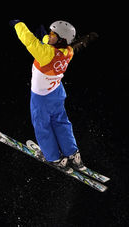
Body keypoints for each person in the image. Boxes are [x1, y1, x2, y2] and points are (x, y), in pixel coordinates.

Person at [9, 19, 98, 173]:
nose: (49, 36)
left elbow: (29, 41)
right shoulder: (68, 51)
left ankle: (54, 158)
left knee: (42, 125)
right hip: (56, 92)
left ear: (61, 40)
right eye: (50, 33)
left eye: (52, 34)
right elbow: (55, 44)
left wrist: (18, 24)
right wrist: (46, 36)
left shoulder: (46, 54)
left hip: (41, 97)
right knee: (60, 121)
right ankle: (73, 154)